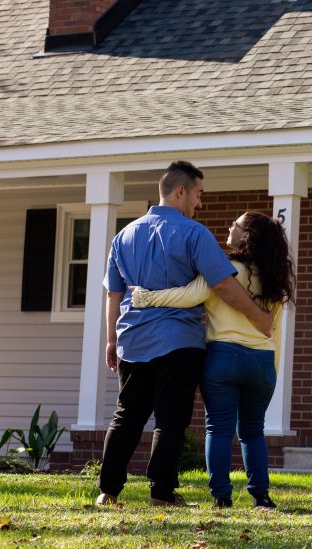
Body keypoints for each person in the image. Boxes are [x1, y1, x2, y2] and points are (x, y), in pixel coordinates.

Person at [96, 161, 272, 508]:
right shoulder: (194, 234)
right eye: (198, 194)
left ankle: (108, 491)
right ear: (181, 191)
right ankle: (161, 492)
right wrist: (257, 316)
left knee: (126, 415)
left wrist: (111, 340)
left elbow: (113, 294)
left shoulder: (124, 235)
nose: (200, 204)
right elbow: (223, 284)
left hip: (132, 339)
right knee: (171, 419)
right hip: (179, 342)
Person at [132, 211, 295, 509]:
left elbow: (187, 295)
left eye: (236, 224)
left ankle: (221, 497)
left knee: (218, 429)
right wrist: (271, 368)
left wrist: (145, 297)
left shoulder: (223, 268)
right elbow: (276, 332)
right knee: (253, 430)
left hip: (223, 357)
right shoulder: (275, 278)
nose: (229, 226)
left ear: (246, 236)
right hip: (262, 361)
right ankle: (261, 496)